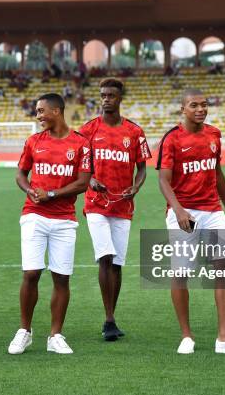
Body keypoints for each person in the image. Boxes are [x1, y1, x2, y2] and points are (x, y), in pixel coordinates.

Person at [157, 88, 225, 355]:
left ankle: (224, 338)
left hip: (212, 211)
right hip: (184, 212)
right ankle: (186, 336)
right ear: (183, 109)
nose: (200, 109)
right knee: (181, 273)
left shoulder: (214, 134)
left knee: (224, 267)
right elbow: (163, 179)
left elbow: (218, 173)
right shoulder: (172, 139)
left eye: (204, 104)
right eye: (194, 105)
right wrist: (178, 210)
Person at [8, 93, 92, 355]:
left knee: (61, 278)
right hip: (34, 214)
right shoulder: (33, 141)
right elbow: (21, 174)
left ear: (56, 111)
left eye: (41, 111)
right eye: (37, 111)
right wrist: (30, 189)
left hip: (65, 219)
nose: (38, 116)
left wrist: (53, 194)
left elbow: (83, 181)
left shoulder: (81, 143)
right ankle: (25, 331)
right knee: (31, 273)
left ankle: (55, 335)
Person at [79, 78, 150, 341]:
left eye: (111, 95)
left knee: (117, 263)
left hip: (123, 204)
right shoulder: (87, 130)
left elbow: (142, 167)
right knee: (105, 256)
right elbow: (79, 165)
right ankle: (108, 320)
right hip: (96, 204)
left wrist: (136, 186)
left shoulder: (134, 132)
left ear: (120, 99)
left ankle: (112, 316)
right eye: (103, 95)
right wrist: (90, 179)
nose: (106, 99)